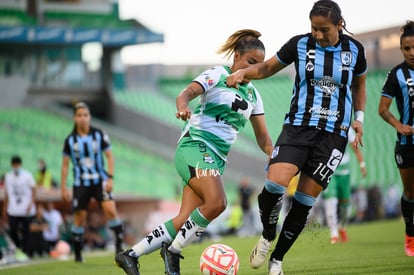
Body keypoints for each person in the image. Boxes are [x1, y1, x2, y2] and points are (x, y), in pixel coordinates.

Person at [115, 29, 273, 275]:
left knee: (184, 219)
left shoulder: (254, 95)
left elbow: (263, 138)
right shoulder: (218, 74)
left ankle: (130, 255)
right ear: (237, 56)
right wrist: (182, 107)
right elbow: (185, 94)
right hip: (195, 146)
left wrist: (277, 156)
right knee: (217, 203)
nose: (253, 69)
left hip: (215, 159)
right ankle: (172, 252)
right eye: (250, 62)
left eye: (259, 66)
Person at [226, 1, 367, 274]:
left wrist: (359, 119)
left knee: (304, 201)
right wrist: (243, 72)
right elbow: (267, 68)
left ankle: (277, 260)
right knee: (275, 184)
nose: (317, 34)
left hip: (333, 137)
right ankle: (268, 234)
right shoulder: (299, 45)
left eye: (323, 29)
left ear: (339, 25)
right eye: (313, 28)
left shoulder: (355, 50)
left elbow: (360, 85)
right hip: (297, 128)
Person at [61, 102, 124, 262]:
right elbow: (65, 165)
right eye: (79, 115)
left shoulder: (99, 134)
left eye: (85, 115)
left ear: (89, 117)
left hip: (100, 181)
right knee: (79, 218)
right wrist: (63, 187)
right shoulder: (70, 140)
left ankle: (118, 246)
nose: (83, 118)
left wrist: (110, 177)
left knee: (110, 209)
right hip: (80, 183)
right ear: (75, 118)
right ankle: (78, 253)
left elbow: (110, 156)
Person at [378, 20, 414, 257]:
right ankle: (410, 235)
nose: (411, 52)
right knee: (410, 192)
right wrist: (398, 125)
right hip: (407, 145)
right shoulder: (396, 74)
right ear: (401, 50)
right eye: (406, 48)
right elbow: (383, 109)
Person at [322, 127, 367, 244]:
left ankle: (342, 227)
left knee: (345, 203)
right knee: (330, 200)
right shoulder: (324, 125)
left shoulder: (347, 129)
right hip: (329, 170)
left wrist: (362, 165)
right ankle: (333, 232)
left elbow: (355, 148)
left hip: (344, 172)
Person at [2, 155, 37, 256]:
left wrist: (31, 203)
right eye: (14, 165)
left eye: (17, 164)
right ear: (12, 165)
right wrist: (5, 207)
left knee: (26, 231)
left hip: (26, 209)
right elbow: (7, 193)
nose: (16, 166)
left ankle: (26, 252)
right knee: (13, 229)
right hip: (13, 209)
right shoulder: (8, 176)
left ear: (20, 165)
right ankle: (17, 248)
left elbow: (34, 189)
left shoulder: (27, 175)